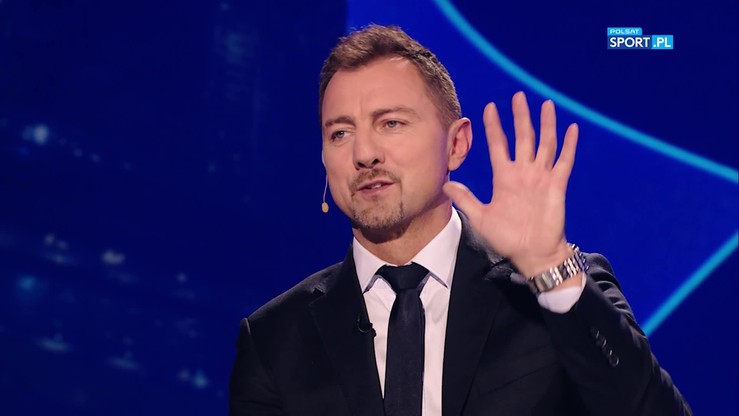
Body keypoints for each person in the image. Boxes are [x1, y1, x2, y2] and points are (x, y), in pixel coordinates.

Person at [229, 24, 691, 416]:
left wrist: (548, 265)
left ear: (456, 144)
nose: (364, 153)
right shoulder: (274, 340)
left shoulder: (547, 293)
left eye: (391, 123)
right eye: (340, 132)